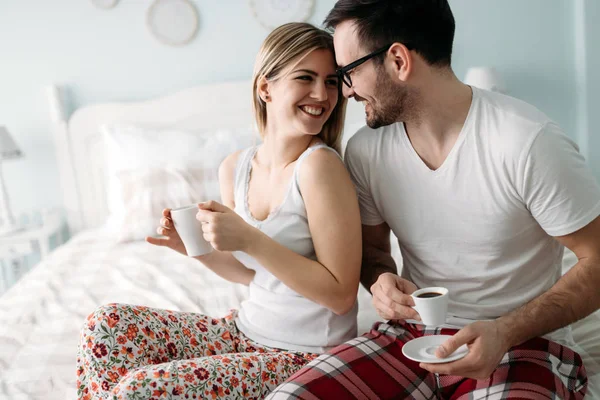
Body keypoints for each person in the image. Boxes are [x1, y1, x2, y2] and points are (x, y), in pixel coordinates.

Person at [268, 1, 600, 399]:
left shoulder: (527, 142)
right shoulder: (366, 151)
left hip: (523, 346)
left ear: (397, 60)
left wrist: (505, 330)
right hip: (410, 338)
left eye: (349, 72)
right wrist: (379, 284)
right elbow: (374, 253)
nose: (348, 91)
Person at [76, 22, 362, 400]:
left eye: (330, 81)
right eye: (305, 78)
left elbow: (341, 295)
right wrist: (197, 249)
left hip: (304, 355)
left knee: (140, 390)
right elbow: (249, 274)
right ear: (265, 88)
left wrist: (252, 239)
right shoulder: (236, 167)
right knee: (106, 326)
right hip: (245, 331)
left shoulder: (319, 167)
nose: (321, 94)